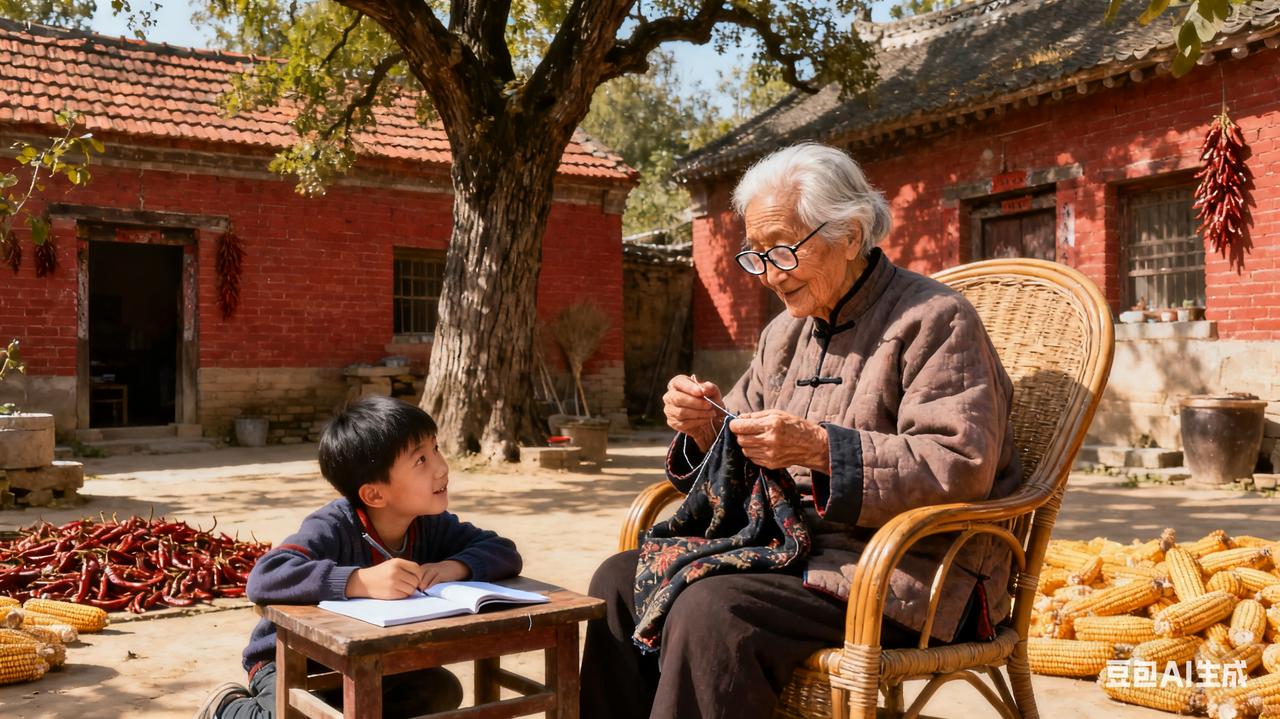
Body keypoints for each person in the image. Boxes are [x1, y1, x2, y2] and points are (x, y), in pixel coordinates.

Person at [580, 143, 1023, 719]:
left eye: (783, 251)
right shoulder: (784, 336)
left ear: (850, 233)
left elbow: (957, 465)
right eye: (755, 256)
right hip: (786, 550)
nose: (767, 275)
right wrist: (701, 426)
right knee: (618, 582)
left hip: (899, 570)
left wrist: (820, 449)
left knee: (714, 610)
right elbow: (734, 441)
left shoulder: (935, 321)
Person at [194, 395, 523, 719]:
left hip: (369, 658)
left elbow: (503, 551)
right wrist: (358, 580)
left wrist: (456, 567)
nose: (441, 467)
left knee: (441, 689)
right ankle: (228, 708)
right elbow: (265, 577)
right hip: (290, 660)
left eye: (435, 449)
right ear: (375, 494)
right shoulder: (334, 525)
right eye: (420, 460)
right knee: (299, 715)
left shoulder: (431, 524)